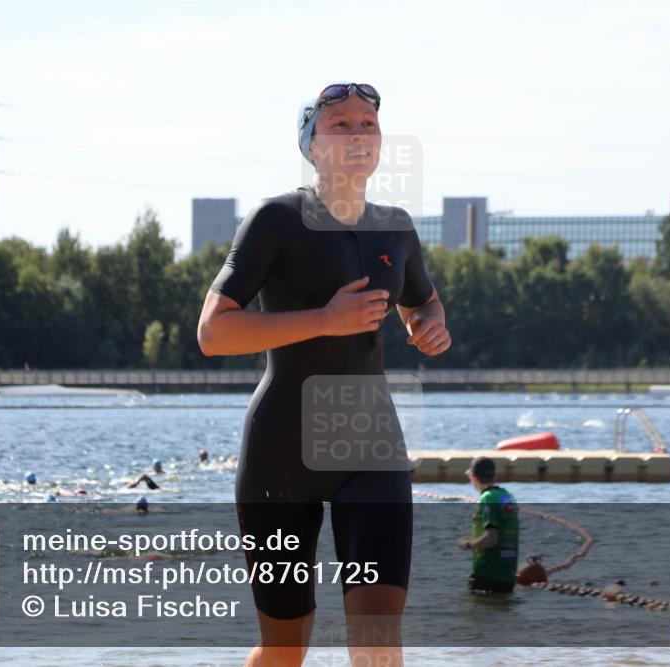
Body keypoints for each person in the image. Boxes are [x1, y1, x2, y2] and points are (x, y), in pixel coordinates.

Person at [197, 81, 451, 667]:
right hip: (281, 456)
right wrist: (324, 321)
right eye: (340, 124)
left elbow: (422, 301)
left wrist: (430, 324)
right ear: (311, 146)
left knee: (379, 648)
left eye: (369, 124)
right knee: (284, 652)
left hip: (371, 449)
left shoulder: (396, 227)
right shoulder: (276, 219)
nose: (358, 134)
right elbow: (213, 332)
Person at [458, 457, 520, 594]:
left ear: (474, 478)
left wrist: (468, 544)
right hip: (508, 576)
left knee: (479, 606)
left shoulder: (487, 498)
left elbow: (491, 539)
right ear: (494, 476)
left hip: (488, 575)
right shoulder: (507, 496)